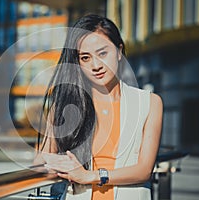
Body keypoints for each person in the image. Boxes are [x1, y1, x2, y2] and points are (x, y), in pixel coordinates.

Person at [35, 14, 163, 199]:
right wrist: (60, 164)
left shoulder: (150, 103)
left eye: (102, 53)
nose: (95, 65)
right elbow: (42, 159)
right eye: (85, 58)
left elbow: (144, 170)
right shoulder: (66, 105)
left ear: (119, 51)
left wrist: (90, 176)